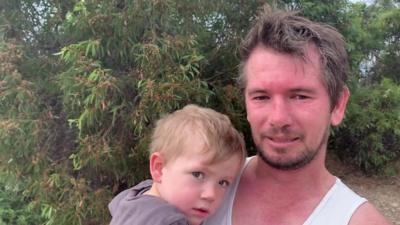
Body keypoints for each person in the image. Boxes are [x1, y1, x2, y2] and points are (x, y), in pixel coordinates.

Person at [204, 5, 392, 225]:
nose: (278, 118)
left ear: (338, 104)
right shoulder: (204, 188)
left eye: (300, 96)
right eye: (261, 97)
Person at [108, 104, 247, 225]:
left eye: (223, 183)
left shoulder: (134, 199)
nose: (211, 195)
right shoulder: (168, 220)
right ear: (159, 168)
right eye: (198, 174)